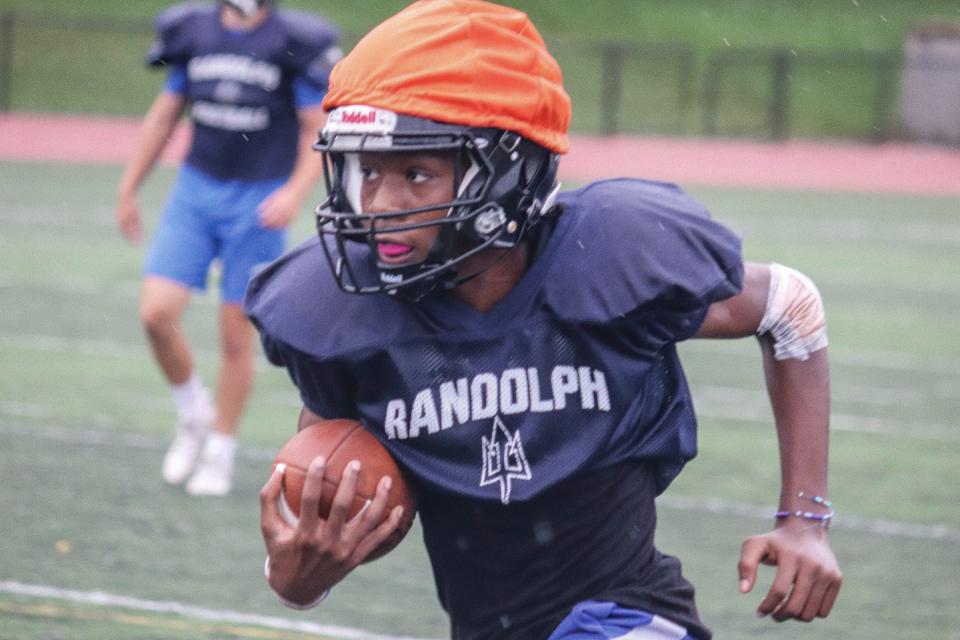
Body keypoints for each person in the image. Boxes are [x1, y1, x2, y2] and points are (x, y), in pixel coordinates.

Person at [245, 1, 842, 637]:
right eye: (366, 172)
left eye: (416, 173)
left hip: (627, 615)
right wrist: (299, 578)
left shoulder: (606, 259)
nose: (380, 205)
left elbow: (790, 305)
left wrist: (805, 518)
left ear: (506, 171)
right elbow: (338, 509)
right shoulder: (346, 313)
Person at [115, 0, 340, 496]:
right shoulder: (193, 31)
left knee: (235, 338)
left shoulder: (291, 41)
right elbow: (164, 116)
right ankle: (193, 410)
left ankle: (220, 448)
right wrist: (130, 185)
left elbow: (314, 128)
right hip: (196, 190)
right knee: (156, 313)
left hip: (257, 200)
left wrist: (293, 191)